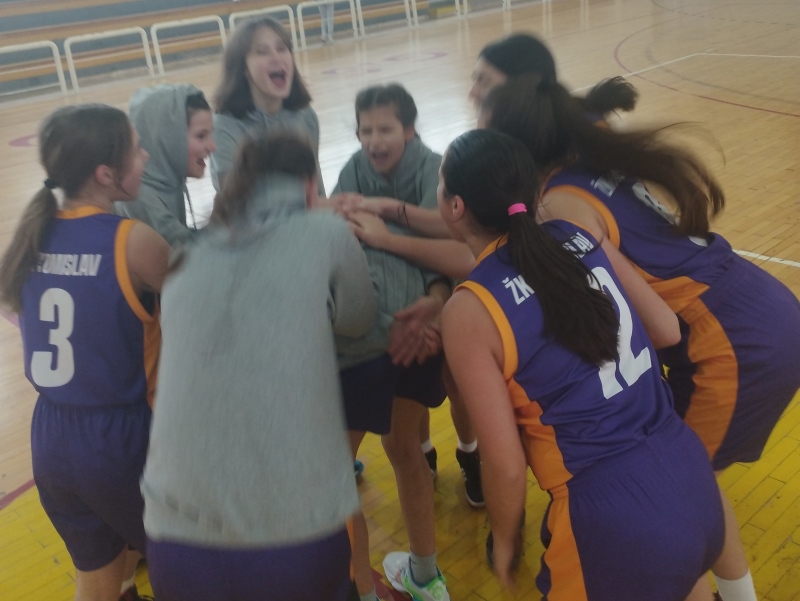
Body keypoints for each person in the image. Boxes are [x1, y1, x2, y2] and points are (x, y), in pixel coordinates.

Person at [482, 73, 800, 601]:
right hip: (760, 304)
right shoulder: (585, 161)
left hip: (733, 342)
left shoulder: (559, 207)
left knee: (681, 485)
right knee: (680, 484)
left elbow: (651, 322)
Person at [439, 128, 725, 600]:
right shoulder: (575, 234)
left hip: (610, 514)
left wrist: (506, 540)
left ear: (455, 206)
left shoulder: (469, 310)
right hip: (690, 473)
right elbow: (667, 330)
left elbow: (506, 466)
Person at [141, 132, 376, 601]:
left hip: (174, 542)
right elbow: (359, 320)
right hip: (292, 540)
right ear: (308, 188)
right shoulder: (326, 234)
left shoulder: (187, 255)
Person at [0, 104, 169, 601]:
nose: (145, 155)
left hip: (51, 438)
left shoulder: (33, 236)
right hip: (119, 440)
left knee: (97, 576)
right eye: (136, 149)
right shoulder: (133, 242)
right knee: (187, 566)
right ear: (105, 174)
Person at [327, 83, 452, 601]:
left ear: (411, 129)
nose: (375, 140)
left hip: (397, 335)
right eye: (366, 130)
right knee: (396, 451)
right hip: (401, 327)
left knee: (383, 456)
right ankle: (413, 578)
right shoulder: (353, 170)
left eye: (386, 129)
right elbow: (342, 234)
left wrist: (435, 302)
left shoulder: (434, 168)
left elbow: (445, 242)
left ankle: (411, 576)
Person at [211, 17, 325, 196]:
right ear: (243, 67)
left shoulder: (305, 116)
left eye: (282, 48)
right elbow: (233, 201)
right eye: (262, 52)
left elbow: (315, 190)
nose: (276, 58)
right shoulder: (224, 127)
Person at [114, 83, 216, 246]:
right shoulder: (139, 196)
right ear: (167, 139)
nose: (212, 146)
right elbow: (183, 249)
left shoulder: (167, 180)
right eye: (201, 136)